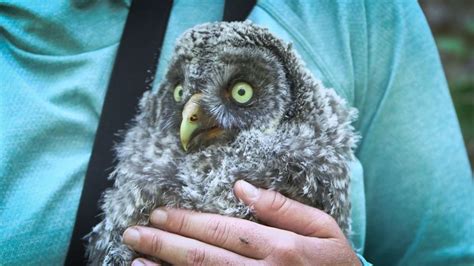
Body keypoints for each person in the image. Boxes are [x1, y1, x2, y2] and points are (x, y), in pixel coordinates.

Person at [1, 1, 472, 265]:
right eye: (183, 94)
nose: (192, 114)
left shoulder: (349, 12)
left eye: (242, 90)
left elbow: (448, 256)